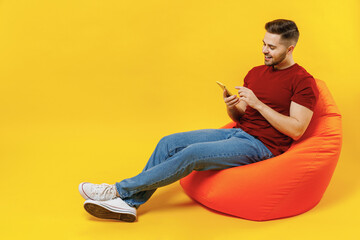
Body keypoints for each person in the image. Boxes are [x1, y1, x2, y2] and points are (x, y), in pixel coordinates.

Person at [78, 19, 319, 222]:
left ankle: (117, 191)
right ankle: (130, 204)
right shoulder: (256, 72)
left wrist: (257, 103)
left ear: (290, 49)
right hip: (238, 132)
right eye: (264, 44)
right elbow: (242, 117)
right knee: (168, 143)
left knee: (191, 154)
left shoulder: (302, 81)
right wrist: (232, 107)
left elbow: (296, 130)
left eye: (272, 47)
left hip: (263, 146)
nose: (265, 51)